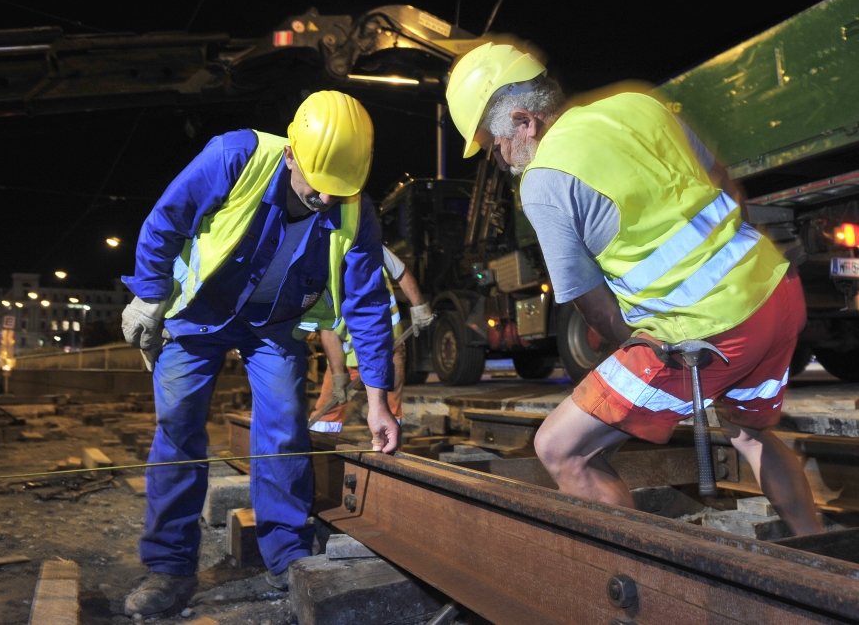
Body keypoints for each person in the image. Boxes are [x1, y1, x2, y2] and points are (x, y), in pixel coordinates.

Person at [445, 43, 823, 536]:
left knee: (562, 449)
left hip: (709, 332)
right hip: (775, 292)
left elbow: (593, 303)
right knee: (752, 433)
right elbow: (726, 186)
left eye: (494, 145)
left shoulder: (543, 179)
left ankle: (640, 588)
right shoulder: (637, 103)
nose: (498, 159)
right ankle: (818, 548)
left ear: (524, 121)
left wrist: (654, 353)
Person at [119, 90, 401, 616]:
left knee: (284, 428)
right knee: (178, 427)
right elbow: (166, 220)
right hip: (197, 313)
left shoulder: (355, 210)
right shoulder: (235, 156)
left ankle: (287, 555)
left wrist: (379, 400)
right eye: (321, 188)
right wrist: (150, 294)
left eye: (342, 191)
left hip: (274, 325)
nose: (329, 201)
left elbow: (366, 304)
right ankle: (170, 566)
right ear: (292, 154)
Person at [310, 244, 433, 432]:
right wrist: (338, 376)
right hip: (347, 356)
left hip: (388, 348)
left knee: (389, 411)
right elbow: (328, 331)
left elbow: (400, 272)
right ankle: (323, 452)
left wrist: (419, 306)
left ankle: (389, 454)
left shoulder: (369, 243)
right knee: (329, 410)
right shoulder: (320, 268)